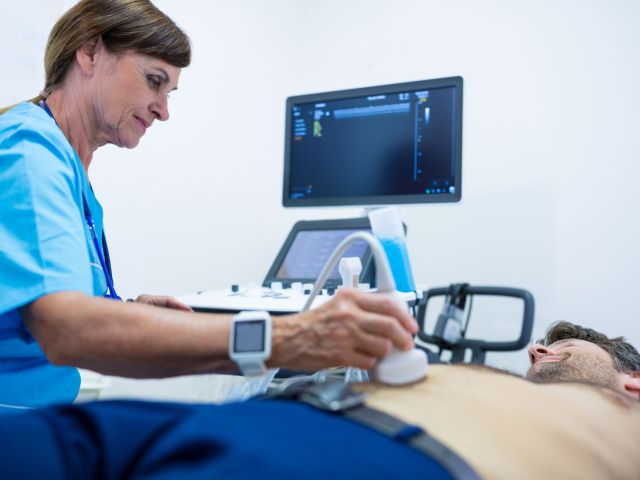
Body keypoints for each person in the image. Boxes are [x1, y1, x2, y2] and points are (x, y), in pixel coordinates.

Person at [0, 0, 417, 409]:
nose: (163, 110)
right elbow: (68, 331)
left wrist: (125, 312)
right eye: (154, 80)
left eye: (170, 91)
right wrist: (291, 338)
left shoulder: (66, 166)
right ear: (90, 53)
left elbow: (44, 313)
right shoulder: (30, 151)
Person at [0, 320, 639, 479]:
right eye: (540, 344)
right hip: (281, 415)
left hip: (395, 458)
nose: (538, 351)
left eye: (564, 348)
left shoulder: (623, 426)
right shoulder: (499, 388)